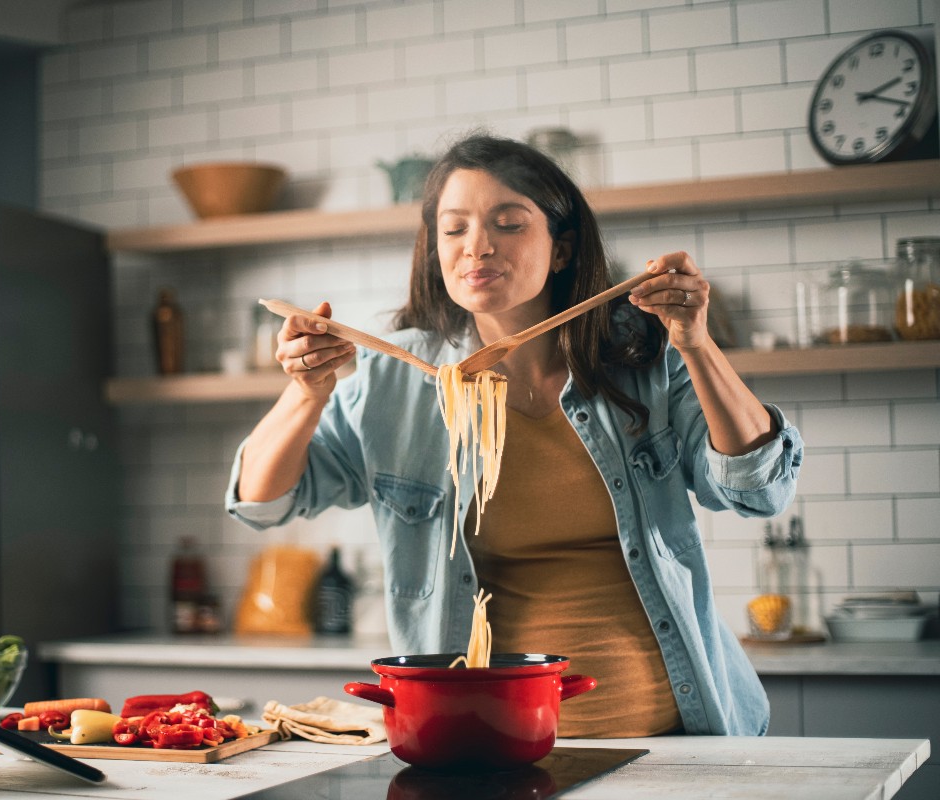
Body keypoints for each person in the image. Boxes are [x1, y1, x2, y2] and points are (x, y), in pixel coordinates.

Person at [225, 133, 802, 738]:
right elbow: (263, 503)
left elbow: (758, 491)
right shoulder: (396, 375)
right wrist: (305, 393)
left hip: (681, 734)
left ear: (561, 249)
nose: (477, 246)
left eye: (508, 223)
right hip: (486, 741)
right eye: (455, 229)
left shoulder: (644, 352)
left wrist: (695, 342)